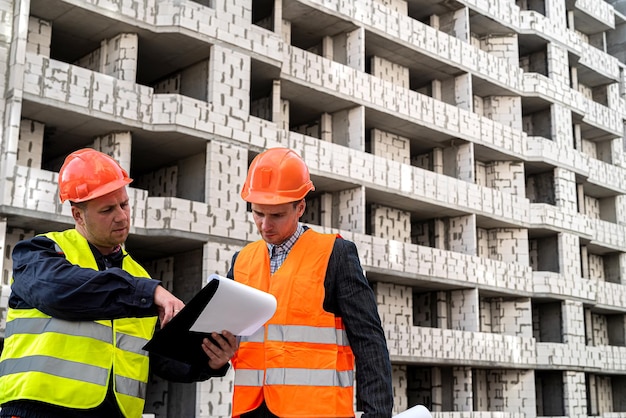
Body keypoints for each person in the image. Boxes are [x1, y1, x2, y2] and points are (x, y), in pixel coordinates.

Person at [0, 148, 237, 418]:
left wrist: (208, 361)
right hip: (39, 409)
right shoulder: (40, 252)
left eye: (124, 204)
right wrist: (149, 292)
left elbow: (158, 356)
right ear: (78, 215)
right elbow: (61, 292)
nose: (122, 216)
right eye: (107, 209)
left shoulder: (140, 279)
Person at [228, 147, 394, 418]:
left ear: (300, 207)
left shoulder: (336, 255)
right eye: (258, 213)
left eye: (277, 215)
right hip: (252, 410)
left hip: (317, 411)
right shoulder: (241, 261)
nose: (265, 225)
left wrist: (377, 414)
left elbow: (369, 341)